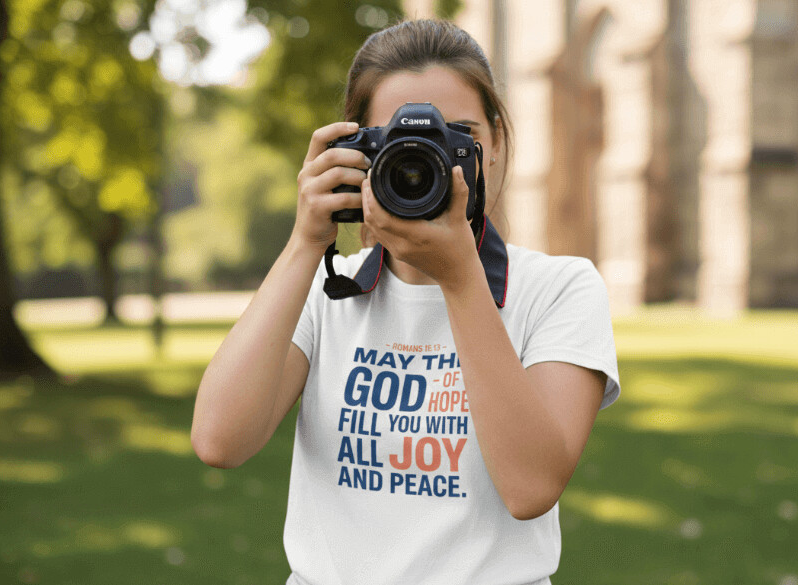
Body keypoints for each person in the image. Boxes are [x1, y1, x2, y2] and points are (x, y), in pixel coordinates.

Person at [191, 18, 620, 585]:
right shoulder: (327, 289)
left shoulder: (559, 288)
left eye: (456, 134)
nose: (427, 159)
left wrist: (463, 280)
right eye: (400, 143)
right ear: (356, 152)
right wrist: (304, 244)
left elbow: (530, 488)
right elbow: (220, 440)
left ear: (493, 144)